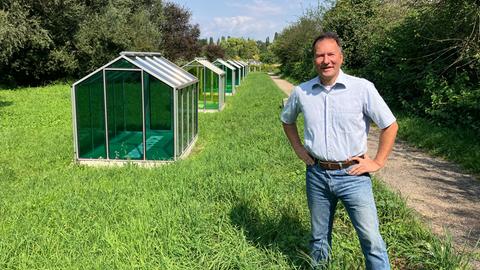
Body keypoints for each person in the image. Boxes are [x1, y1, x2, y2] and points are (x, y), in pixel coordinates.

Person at [280, 32, 398, 269]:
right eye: (320, 55)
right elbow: (287, 120)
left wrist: (377, 162)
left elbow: (390, 125)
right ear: (314, 60)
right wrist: (299, 149)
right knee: (318, 238)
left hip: (353, 175)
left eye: (331, 54)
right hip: (317, 174)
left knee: (371, 240)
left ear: (341, 57)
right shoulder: (302, 92)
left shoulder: (362, 88)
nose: (326, 60)